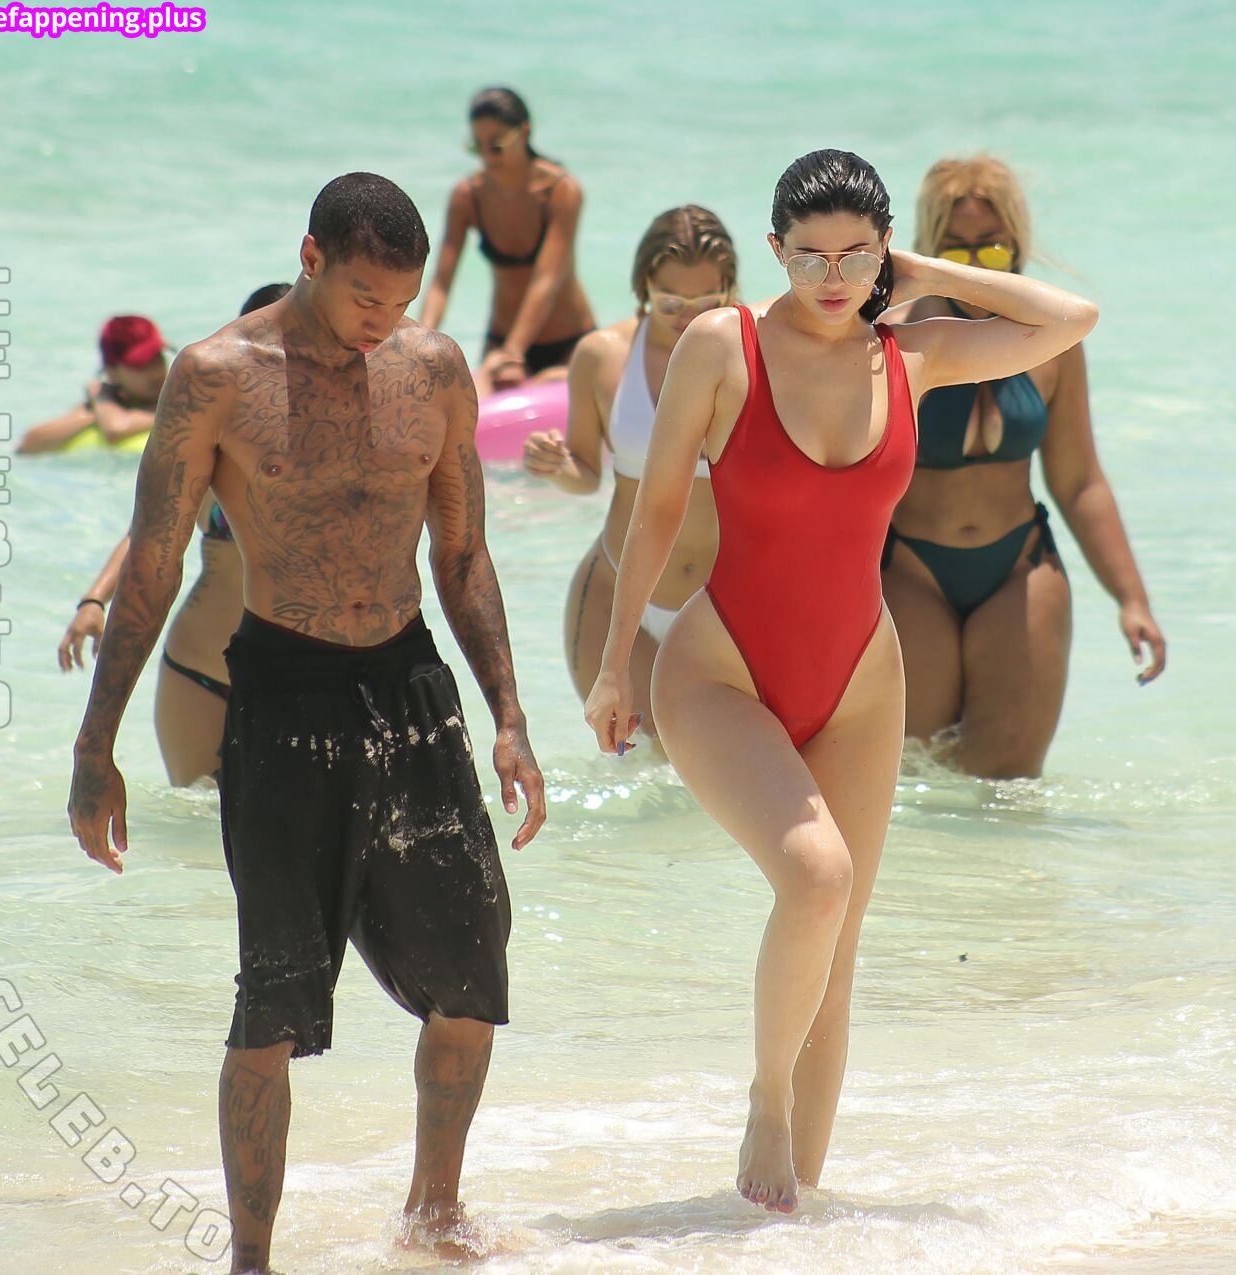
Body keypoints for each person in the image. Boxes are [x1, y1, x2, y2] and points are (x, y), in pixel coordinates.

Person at [583, 149, 1097, 1214]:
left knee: (839, 945)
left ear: (883, 252)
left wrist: (920, 273)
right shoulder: (724, 345)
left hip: (862, 680)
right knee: (815, 880)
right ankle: (765, 1102)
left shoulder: (908, 352)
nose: (831, 278)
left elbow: (1070, 318)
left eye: (854, 256)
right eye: (809, 255)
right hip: (720, 671)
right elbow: (659, 507)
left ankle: (793, 1222)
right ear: (773, 250)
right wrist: (612, 662)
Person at [67, 173, 546, 1273]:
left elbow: (462, 554)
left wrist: (509, 715)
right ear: (311, 257)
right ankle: (251, 1257)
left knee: (473, 974)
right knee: (273, 999)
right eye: (365, 296)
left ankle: (433, 1216)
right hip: (282, 695)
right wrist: (96, 746)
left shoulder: (432, 368)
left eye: (401, 301)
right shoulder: (216, 376)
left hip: (410, 684)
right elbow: (154, 562)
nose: (383, 321)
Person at [882, 155, 1165, 777]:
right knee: (913, 783)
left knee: (1007, 788)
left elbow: (1079, 480)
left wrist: (1131, 599)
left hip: (1021, 565)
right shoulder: (891, 339)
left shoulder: (1053, 343)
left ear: (1016, 244)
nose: (978, 265)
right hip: (908, 569)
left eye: (992, 249)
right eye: (956, 252)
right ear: (929, 251)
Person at [57, 285, 292, 786]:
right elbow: (149, 533)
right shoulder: (213, 433)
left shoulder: (343, 440)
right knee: (194, 827)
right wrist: (94, 601)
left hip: (304, 676)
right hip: (199, 671)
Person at [523, 206, 736, 737]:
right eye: (671, 303)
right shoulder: (602, 356)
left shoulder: (757, 355)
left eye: (707, 302)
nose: (688, 317)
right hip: (617, 594)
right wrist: (558, 466)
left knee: (709, 765)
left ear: (730, 290)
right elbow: (586, 473)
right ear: (644, 287)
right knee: (633, 771)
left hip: (725, 606)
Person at [419, 87, 597, 394]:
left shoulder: (560, 190)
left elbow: (547, 278)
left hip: (568, 344)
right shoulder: (468, 195)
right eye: (478, 146)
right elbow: (442, 282)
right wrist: (421, 343)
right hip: (500, 342)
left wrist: (514, 352)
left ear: (524, 132)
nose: (488, 156)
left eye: (497, 145)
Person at [16, 314, 171, 454]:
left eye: (158, 358)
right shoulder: (101, 406)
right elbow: (27, 444)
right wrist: (100, 406)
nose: (155, 371)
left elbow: (115, 428)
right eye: (141, 364)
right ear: (112, 372)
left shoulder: (175, 402)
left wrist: (100, 399)